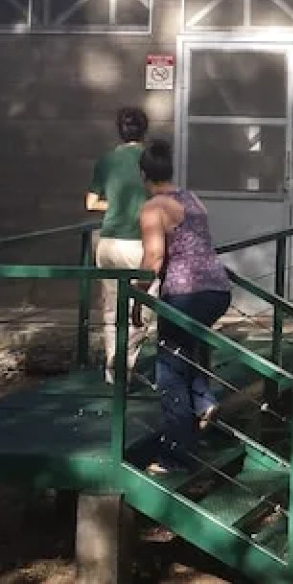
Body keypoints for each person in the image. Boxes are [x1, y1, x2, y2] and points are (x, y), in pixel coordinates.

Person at [136, 137, 233, 474]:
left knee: (169, 373)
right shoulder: (193, 199)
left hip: (184, 294)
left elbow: (154, 258)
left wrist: (134, 291)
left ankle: (175, 456)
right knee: (184, 351)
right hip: (217, 290)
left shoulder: (153, 208)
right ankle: (204, 402)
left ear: (144, 176)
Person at [87, 106, 151, 384]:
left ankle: (113, 371)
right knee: (142, 310)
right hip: (138, 243)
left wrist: (117, 206)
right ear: (144, 129)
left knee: (112, 306)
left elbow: (90, 203)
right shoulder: (151, 160)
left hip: (108, 241)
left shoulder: (106, 160)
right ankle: (123, 361)